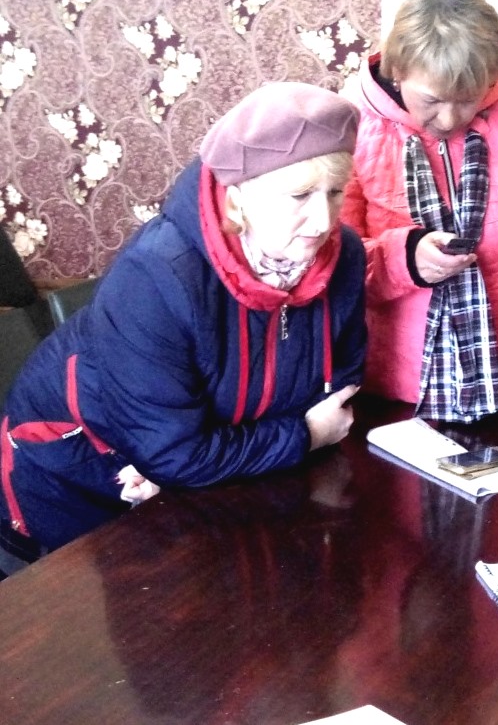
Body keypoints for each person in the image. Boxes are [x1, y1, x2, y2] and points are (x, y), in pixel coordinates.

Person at [0, 82, 367, 575]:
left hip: (190, 477)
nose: (323, 221)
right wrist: (301, 435)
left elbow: (337, 389)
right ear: (237, 200)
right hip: (79, 468)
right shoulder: (156, 276)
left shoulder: (343, 256)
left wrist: (196, 463)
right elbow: (176, 453)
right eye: (300, 195)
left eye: (335, 192)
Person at [341, 0, 498, 423]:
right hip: (392, 392)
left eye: (468, 98)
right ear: (397, 71)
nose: (450, 119)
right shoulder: (354, 120)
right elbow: (334, 261)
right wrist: (404, 259)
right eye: (432, 101)